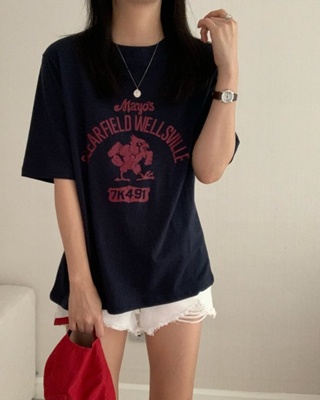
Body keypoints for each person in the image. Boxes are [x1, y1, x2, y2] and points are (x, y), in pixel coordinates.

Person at [22, 0, 239, 399]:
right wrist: (79, 282)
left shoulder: (199, 62)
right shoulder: (65, 62)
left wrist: (228, 71)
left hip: (175, 265)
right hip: (97, 269)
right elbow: (63, 178)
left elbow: (210, 170)